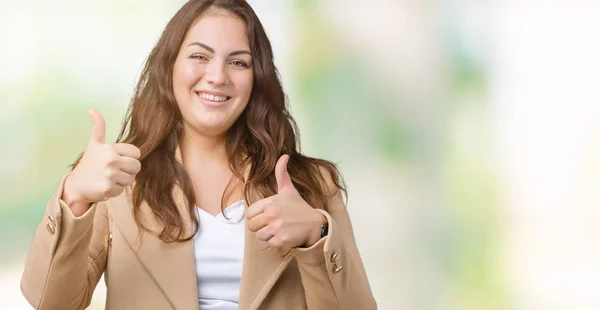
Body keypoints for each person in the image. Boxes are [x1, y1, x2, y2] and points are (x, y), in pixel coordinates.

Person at [20, 0, 376, 309]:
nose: (217, 76)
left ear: (258, 78)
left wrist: (316, 235)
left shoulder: (311, 185)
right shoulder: (119, 181)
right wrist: (74, 196)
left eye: (238, 63)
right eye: (199, 56)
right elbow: (51, 303)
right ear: (169, 67)